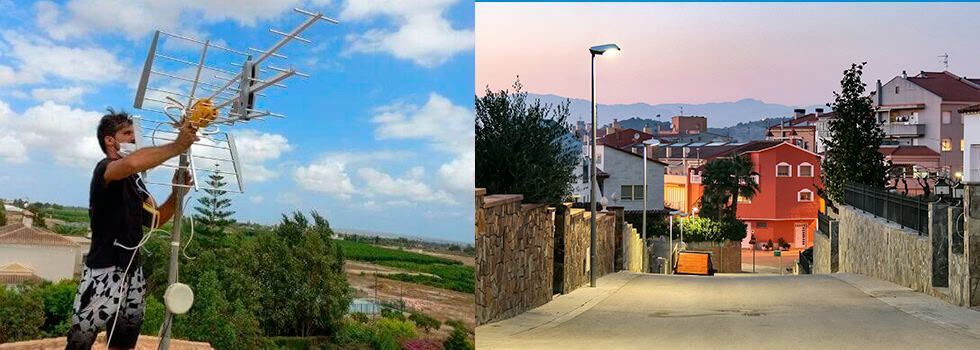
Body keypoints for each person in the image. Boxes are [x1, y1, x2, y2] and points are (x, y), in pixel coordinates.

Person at [66, 109, 198, 350]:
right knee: (80, 342)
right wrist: (177, 146)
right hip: (102, 273)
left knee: (124, 342)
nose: (135, 139)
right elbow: (132, 162)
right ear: (110, 140)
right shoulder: (105, 168)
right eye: (128, 134)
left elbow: (157, 220)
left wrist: (177, 193)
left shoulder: (135, 182)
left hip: (132, 272)